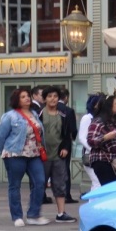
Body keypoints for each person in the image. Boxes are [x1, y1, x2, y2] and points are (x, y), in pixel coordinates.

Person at [0, 87, 49, 226]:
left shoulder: (34, 114)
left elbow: (40, 134)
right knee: (15, 185)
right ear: (17, 100)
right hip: (15, 154)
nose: (27, 98)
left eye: (28, 96)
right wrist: (6, 152)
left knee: (40, 182)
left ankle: (33, 214)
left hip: (34, 154)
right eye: (23, 96)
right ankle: (17, 216)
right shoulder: (10, 116)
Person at [39, 86, 76, 223]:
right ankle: (36, 213)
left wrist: (66, 147)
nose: (53, 99)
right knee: (40, 183)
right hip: (42, 155)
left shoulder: (64, 115)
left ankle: (61, 213)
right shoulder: (39, 114)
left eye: (55, 96)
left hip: (59, 155)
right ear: (45, 99)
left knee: (60, 184)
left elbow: (68, 134)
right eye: (49, 96)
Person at [87, 94, 116, 185]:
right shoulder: (98, 122)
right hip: (104, 161)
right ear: (108, 106)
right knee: (112, 190)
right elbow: (90, 140)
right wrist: (105, 137)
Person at [78, 93, 102, 191]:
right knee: (97, 182)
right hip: (91, 155)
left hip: (99, 156)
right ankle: (93, 204)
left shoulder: (99, 118)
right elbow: (82, 138)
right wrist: (93, 149)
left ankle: (93, 203)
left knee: (98, 182)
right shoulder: (87, 118)